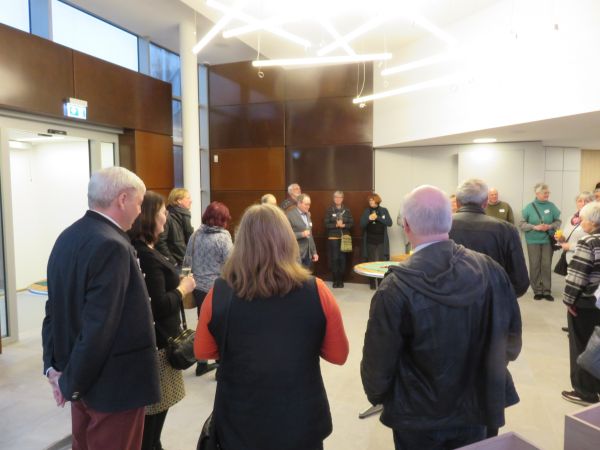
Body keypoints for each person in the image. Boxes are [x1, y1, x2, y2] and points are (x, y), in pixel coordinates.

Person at [361, 185, 522, 450]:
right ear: (450, 220)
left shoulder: (394, 288)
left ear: (407, 225)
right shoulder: (491, 269)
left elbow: (378, 365)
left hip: (418, 415)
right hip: (477, 405)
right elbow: (512, 342)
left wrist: (380, 396)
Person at [194, 204, 349, 450]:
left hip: (239, 422)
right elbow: (338, 355)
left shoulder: (219, 293)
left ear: (241, 242)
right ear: (288, 241)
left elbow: (202, 351)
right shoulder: (316, 290)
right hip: (301, 420)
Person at [42, 167, 160, 450]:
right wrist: (68, 383)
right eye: (139, 203)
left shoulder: (66, 237)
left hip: (81, 378)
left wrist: (54, 370)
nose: (140, 211)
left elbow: (53, 311)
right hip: (113, 387)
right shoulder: (113, 245)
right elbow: (99, 327)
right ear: (122, 199)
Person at [129, 191, 196, 450]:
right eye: (161, 213)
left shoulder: (149, 249)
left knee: (155, 421)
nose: (165, 218)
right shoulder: (145, 255)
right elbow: (157, 306)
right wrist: (182, 289)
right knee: (152, 422)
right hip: (158, 346)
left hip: (161, 342)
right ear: (149, 217)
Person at [450, 179, 529, 298]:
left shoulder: (441, 227)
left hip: (452, 302)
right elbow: (520, 283)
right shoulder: (507, 230)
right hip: (494, 301)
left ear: (457, 202)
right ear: (486, 202)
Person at [185, 201, 233, 376]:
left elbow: (187, 261)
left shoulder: (195, 235)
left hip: (198, 287)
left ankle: (201, 363)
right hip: (219, 288)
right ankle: (221, 366)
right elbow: (231, 264)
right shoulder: (223, 237)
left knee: (202, 323)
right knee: (221, 326)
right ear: (223, 219)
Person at [561, 201, 600, 406]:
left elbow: (578, 275)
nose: (581, 223)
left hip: (586, 302)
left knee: (582, 344)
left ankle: (585, 392)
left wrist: (569, 300)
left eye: (583, 219)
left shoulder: (588, 242)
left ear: (593, 222)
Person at [520, 183, 562, 300]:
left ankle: (547, 291)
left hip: (547, 240)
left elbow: (558, 221)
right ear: (537, 194)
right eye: (545, 193)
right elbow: (522, 224)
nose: (547, 194)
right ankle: (537, 290)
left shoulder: (551, 206)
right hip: (532, 241)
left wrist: (550, 226)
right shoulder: (529, 207)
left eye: (548, 192)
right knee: (534, 265)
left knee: (546, 265)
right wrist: (534, 227)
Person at [360, 193, 393, 289]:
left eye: (372, 200)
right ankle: (372, 284)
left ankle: (380, 282)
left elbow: (389, 223)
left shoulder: (384, 210)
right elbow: (361, 225)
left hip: (381, 240)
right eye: (369, 200)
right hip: (370, 240)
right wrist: (369, 219)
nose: (370, 202)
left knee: (381, 262)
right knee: (370, 262)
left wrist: (377, 217)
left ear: (377, 201)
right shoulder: (367, 211)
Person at [155, 188, 194, 268]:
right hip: (175, 265)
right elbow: (160, 242)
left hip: (185, 263)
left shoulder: (185, 217)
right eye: (188, 198)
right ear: (179, 200)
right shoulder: (168, 217)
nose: (191, 201)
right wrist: (173, 262)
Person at [324, 191, 354, 288]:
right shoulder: (329, 210)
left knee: (342, 259)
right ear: (333, 198)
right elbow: (326, 224)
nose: (338, 199)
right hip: (333, 237)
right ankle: (335, 280)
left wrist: (344, 225)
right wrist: (336, 225)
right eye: (336, 197)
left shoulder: (347, 210)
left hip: (344, 237)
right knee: (335, 258)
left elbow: (351, 223)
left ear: (342, 199)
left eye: (339, 197)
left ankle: (341, 280)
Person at [557, 192, 595, 265]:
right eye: (580, 201)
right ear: (576, 203)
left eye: (587, 201)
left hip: (583, 261)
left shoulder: (594, 220)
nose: (583, 203)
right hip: (568, 258)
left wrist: (570, 246)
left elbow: (593, 244)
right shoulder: (571, 218)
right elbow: (567, 237)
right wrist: (561, 238)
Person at [287, 194, 318, 269]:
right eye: (306, 204)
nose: (308, 206)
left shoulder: (307, 214)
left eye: (309, 204)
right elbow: (286, 235)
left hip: (308, 254)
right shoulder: (289, 215)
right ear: (299, 203)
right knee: (297, 276)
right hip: (296, 254)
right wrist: (301, 234)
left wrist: (314, 252)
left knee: (307, 275)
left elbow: (310, 235)